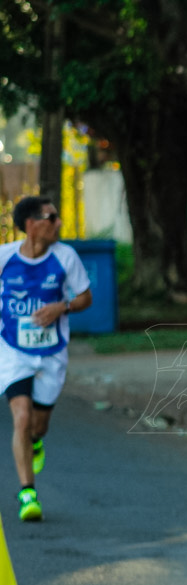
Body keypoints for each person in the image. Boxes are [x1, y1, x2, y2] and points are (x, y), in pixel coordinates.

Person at [1, 196, 92, 522]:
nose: (58, 223)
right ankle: (28, 493)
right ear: (30, 224)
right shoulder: (4, 258)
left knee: (38, 425)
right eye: (51, 217)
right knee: (21, 417)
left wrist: (61, 307)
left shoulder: (65, 257)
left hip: (51, 353)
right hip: (13, 351)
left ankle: (35, 442)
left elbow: (85, 297)